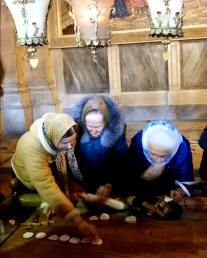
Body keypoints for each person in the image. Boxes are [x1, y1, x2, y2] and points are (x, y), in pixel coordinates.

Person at [11, 113, 99, 242]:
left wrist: (70, 184)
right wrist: (78, 222)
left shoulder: (59, 135)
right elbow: (46, 184)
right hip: (27, 177)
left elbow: (65, 166)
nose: (70, 146)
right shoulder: (31, 147)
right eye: (66, 143)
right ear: (54, 139)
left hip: (47, 170)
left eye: (72, 141)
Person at [70, 95, 128, 203]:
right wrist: (74, 182)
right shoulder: (76, 131)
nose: (93, 131)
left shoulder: (115, 133)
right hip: (83, 185)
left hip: (109, 183)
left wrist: (110, 183)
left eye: (98, 127)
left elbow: (121, 161)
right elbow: (72, 159)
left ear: (106, 122)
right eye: (89, 126)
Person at [127, 120, 195, 202]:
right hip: (139, 191)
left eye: (162, 156)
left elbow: (186, 176)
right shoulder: (138, 143)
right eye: (153, 154)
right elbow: (128, 173)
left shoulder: (181, 148)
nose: (157, 160)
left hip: (168, 189)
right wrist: (143, 177)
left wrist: (181, 191)